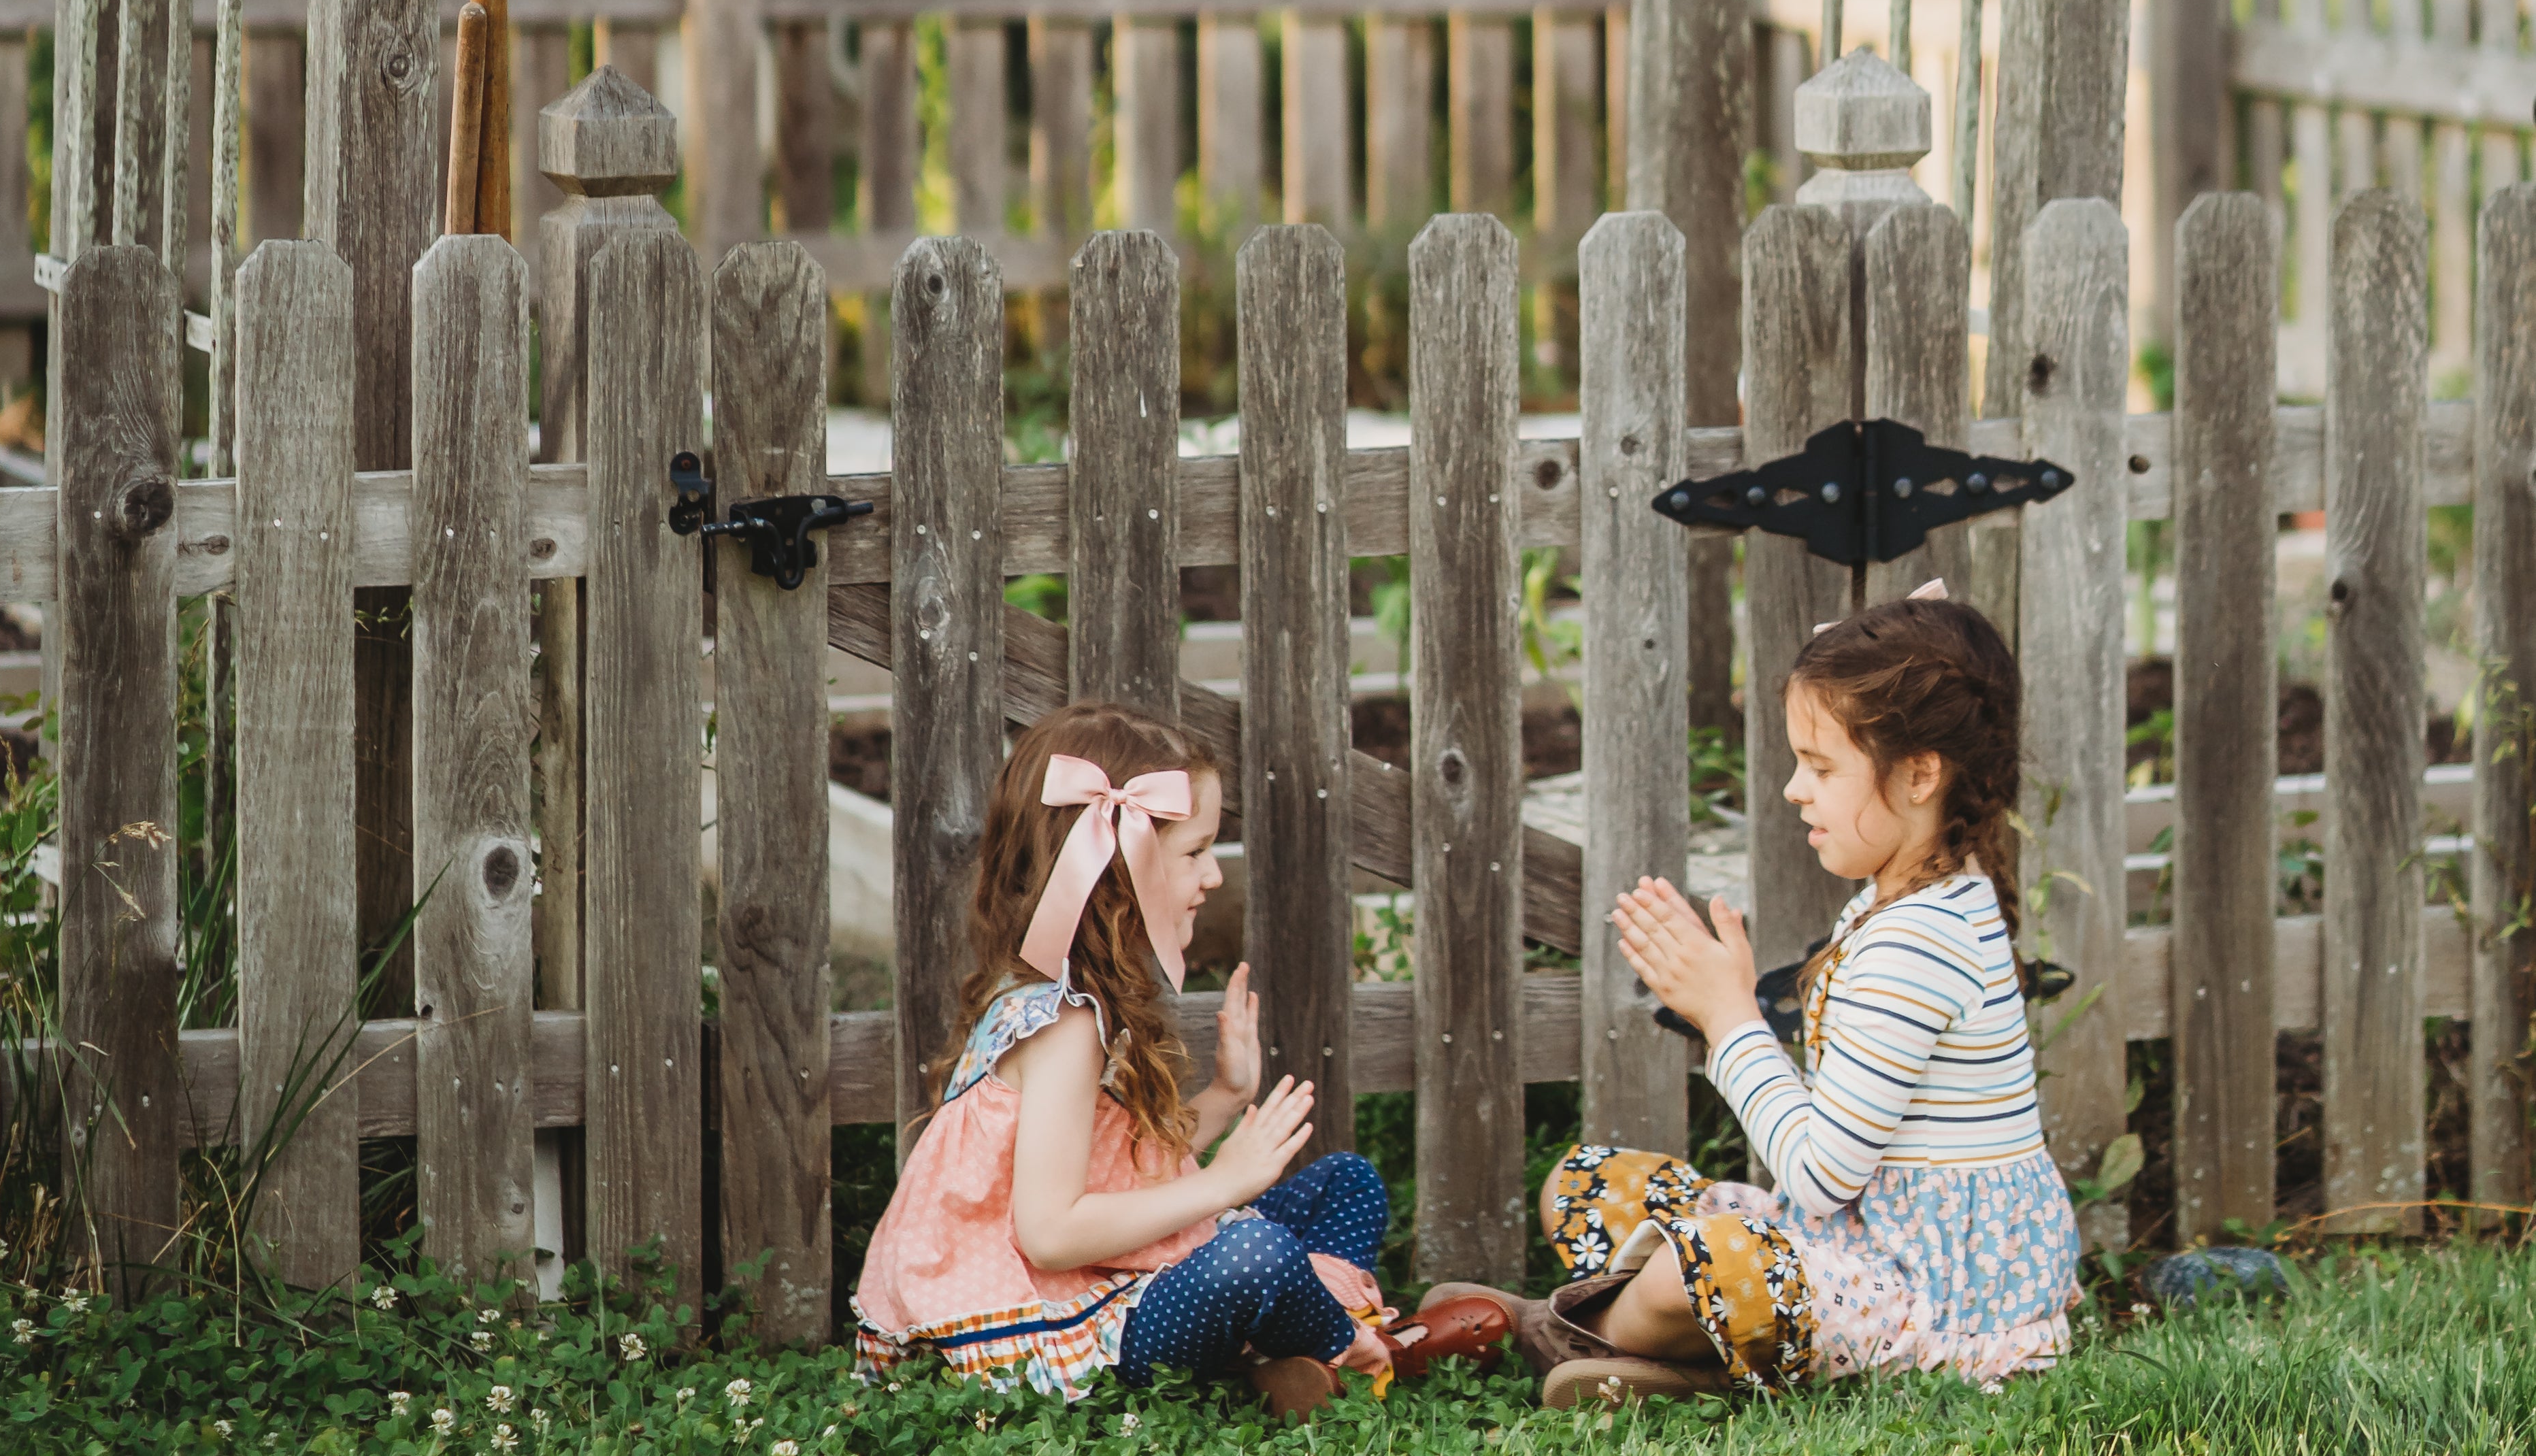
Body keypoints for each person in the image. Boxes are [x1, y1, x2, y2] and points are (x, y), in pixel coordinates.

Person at [1455, 588, 2081, 1402]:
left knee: (1699, 1266)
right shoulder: (1919, 895)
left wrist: (1729, 1018)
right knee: (1586, 1187)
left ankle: (1561, 1332)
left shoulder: (1916, 943)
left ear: (1921, 773)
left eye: (1821, 767)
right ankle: (1659, 1353)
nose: (1794, 788)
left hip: (1937, 1298)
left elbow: (1821, 1178)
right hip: (1862, 1241)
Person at [852, 701, 1394, 1413]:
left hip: (1100, 1273)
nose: (1215, 876)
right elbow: (1048, 1238)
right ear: (1118, 872)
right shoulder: (1063, 1026)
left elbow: (1117, 1173)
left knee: (1345, 1183)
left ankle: (1283, 1358)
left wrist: (1227, 1098)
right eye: (1195, 852)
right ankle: (1354, 1353)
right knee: (1253, 1259)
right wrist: (1222, 1184)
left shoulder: (1077, 995)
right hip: (1026, 1317)